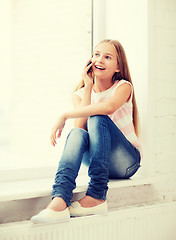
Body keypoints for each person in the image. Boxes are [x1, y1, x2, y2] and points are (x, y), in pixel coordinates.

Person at [31, 39, 142, 223]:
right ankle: (60, 199)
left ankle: (97, 195)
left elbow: (108, 108)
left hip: (126, 162)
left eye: (107, 57)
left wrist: (65, 115)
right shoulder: (80, 94)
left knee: (98, 117)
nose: (100, 60)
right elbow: (79, 130)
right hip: (101, 163)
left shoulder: (123, 86)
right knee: (77, 134)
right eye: (96, 54)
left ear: (118, 67)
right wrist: (88, 86)